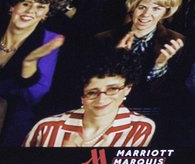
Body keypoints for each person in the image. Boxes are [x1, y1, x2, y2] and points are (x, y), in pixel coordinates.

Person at [25, 59, 160, 147]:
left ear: (127, 89)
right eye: (92, 92)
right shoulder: (46, 127)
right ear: (82, 97)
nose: (102, 99)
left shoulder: (140, 128)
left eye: (112, 89)